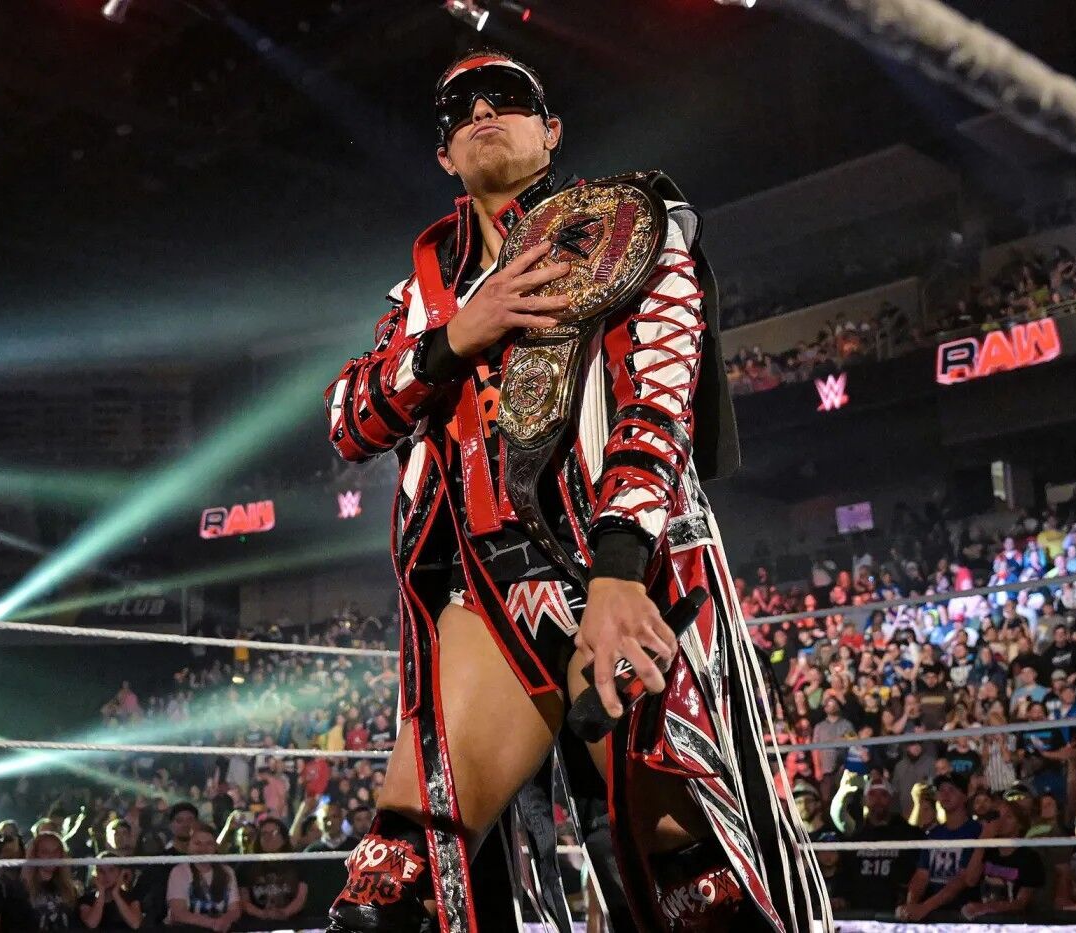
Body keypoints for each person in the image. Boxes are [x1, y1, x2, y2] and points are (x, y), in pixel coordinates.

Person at [322, 48, 824, 933]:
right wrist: (456, 337)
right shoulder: (420, 294)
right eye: (457, 108)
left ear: (550, 130)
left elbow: (657, 402)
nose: (482, 109)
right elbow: (349, 419)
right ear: (443, 155)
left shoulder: (634, 222)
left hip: (621, 571)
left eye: (507, 97)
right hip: (488, 594)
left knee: (685, 864)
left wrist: (621, 570)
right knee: (391, 884)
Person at [829, 775, 921, 911]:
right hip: (860, 912)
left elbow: (918, 872)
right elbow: (845, 873)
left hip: (895, 913)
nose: (878, 800)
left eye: (883, 794)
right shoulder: (856, 837)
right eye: (872, 794)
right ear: (864, 800)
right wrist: (840, 897)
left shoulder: (909, 834)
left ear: (890, 799)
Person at [898, 773, 983, 921]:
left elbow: (962, 879)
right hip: (932, 914)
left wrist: (925, 907)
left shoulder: (976, 831)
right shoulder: (934, 834)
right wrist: (911, 905)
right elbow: (921, 875)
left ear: (964, 796)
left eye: (952, 789)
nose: (945, 794)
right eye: (941, 790)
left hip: (962, 916)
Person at [961, 793, 1044, 919]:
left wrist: (986, 908)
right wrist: (983, 841)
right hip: (985, 922)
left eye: (1009, 817)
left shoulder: (1030, 857)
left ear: (1020, 824)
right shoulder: (988, 851)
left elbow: (1021, 903)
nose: (1002, 821)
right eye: (999, 816)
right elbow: (970, 880)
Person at [165, 823, 241, 932]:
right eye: (197, 843)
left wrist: (224, 921)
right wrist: (212, 924)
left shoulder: (227, 872)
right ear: (188, 846)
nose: (203, 848)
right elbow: (178, 912)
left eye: (209, 843)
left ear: (215, 847)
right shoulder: (179, 872)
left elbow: (235, 910)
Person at [236, 818, 308, 929]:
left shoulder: (297, 862)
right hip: (256, 924)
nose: (268, 837)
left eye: (274, 833)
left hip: (292, 923)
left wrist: (283, 913)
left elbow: (301, 898)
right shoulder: (246, 865)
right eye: (264, 834)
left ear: (284, 838)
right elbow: (244, 901)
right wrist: (263, 914)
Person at [19, 832, 80, 931]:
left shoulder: (69, 888)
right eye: (45, 851)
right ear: (35, 854)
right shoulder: (23, 888)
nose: (52, 856)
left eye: (56, 851)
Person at [78, 853, 144, 931]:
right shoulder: (86, 899)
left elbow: (135, 924)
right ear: (96, 874)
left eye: (111, 870)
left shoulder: (131, 897)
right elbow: (92, 923)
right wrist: (101, 893)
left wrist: (116, 894)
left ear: (120, 872)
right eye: (101, 871)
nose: (106, 875)